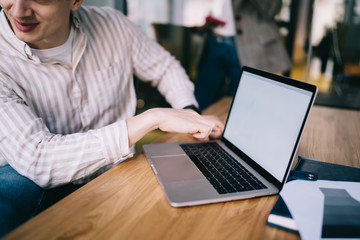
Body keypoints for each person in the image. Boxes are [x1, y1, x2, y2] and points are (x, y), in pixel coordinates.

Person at [0, 0, 224, 237]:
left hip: (116, 176)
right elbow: (39, 159)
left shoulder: (113, 25)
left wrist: (188, 111)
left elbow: (164, 68)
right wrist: (153, 118)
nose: (19, 11)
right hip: (32, 191)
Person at [195, 0, 291, 110]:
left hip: (248, 44)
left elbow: (273, 8)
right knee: (202, 98)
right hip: (213, 38)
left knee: (241, 101)